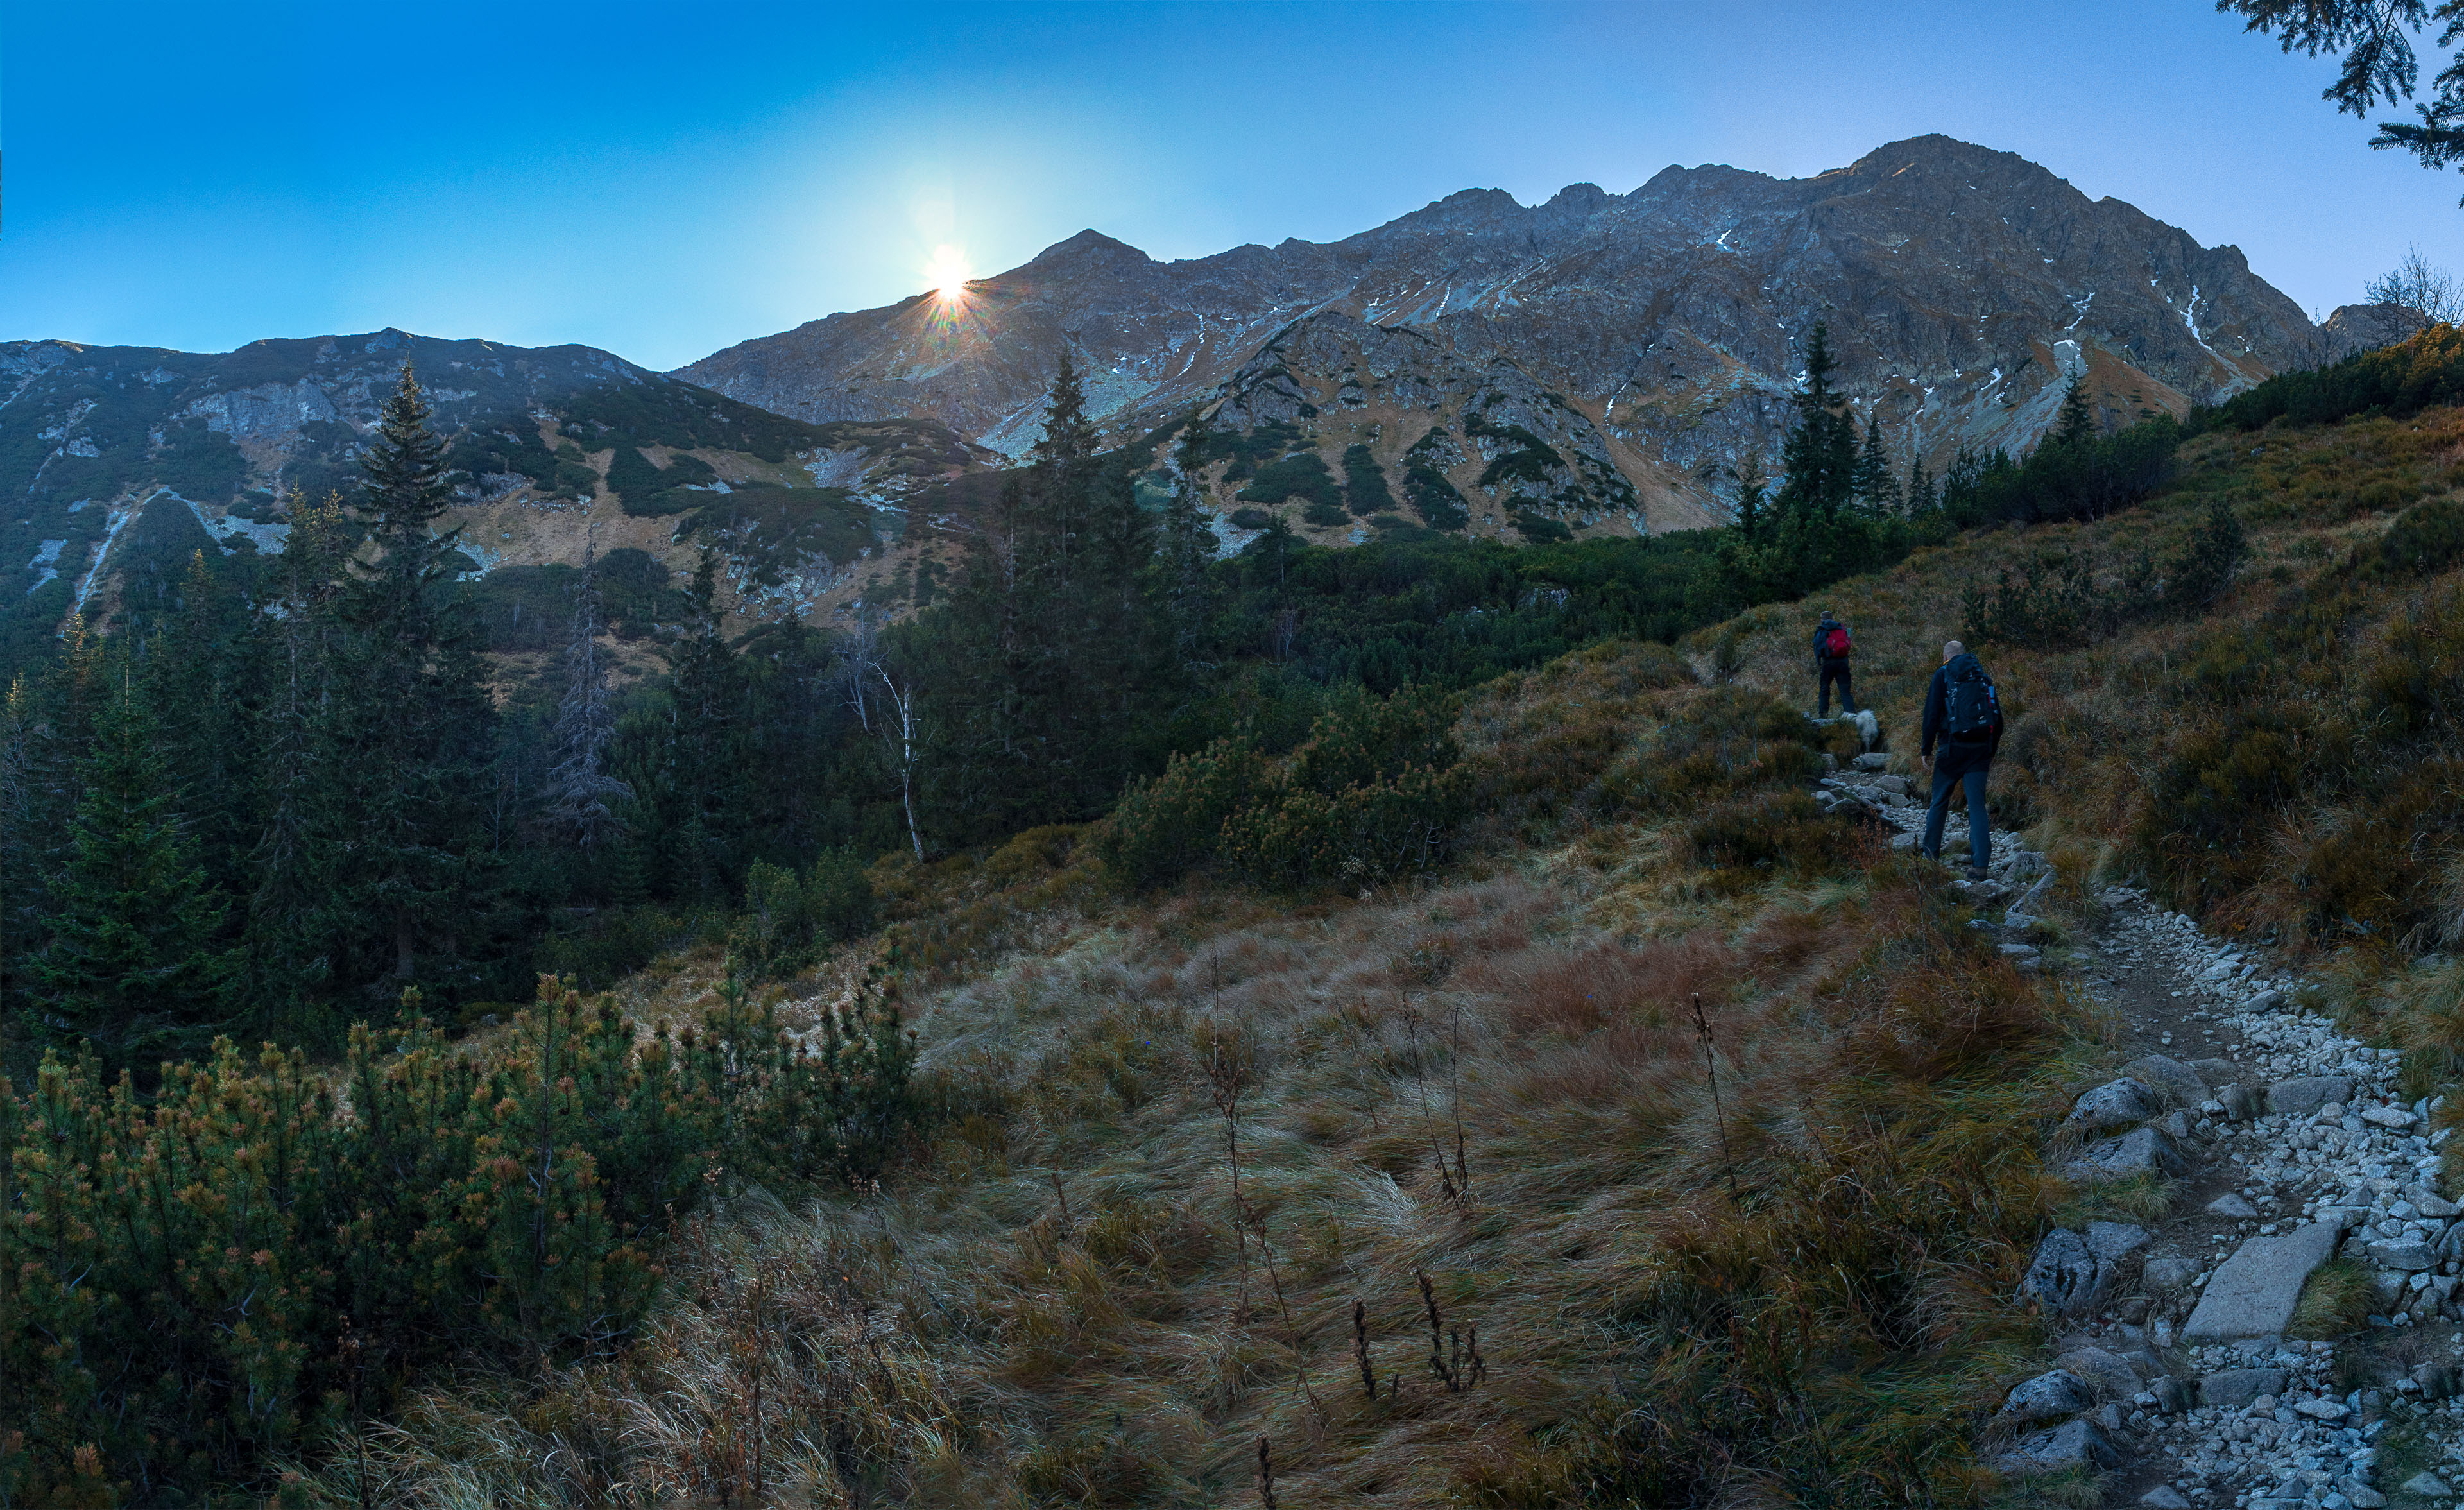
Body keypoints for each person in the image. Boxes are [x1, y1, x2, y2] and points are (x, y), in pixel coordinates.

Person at [1920, 639, 2003, 880]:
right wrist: (1991, 750)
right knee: (1977, 807)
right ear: (1964, 654)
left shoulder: (1943, 674)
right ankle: (1980, 867)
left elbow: (1931, 714)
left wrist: (1926, 748)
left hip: (1951, 749)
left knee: (1939, 803)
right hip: (1980, 751)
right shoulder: (1983, 677)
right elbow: (1997, 718)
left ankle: (1930, 858)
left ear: (1945, 656)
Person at [1812, 610, 1856, 717]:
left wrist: (1819, 662)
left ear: (1822, 619)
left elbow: (1817, 646)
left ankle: (1823, 716)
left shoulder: (1822, 629)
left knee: (1824, 689)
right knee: (1845, 690)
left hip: (1828, 662)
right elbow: (1848, 643)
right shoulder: (1841, 628)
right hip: (1843, 662)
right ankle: (1851, 714)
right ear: (1832, 618)